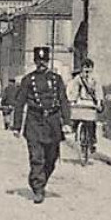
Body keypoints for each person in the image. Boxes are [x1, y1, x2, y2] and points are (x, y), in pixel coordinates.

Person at [10, 46, 72, 203]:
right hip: (34, 121)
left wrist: (67, 122)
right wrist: (16, 126)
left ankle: (40, 180)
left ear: (48, 62)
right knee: (37, 157)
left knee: (52, 157)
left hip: (52, 122)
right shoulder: (27, 80)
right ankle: (38, 187)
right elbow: (19, 103)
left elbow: (64, 101)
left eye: (44, 61)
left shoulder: (56, 79)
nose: (41, 64)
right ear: (35, 62)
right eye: (39, 61)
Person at [68, 57, 106, 163]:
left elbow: (98, 91)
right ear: (82, 69)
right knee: (76, 117)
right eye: (85, 69)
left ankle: (92, 141)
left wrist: (98, 102)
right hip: (81, 102)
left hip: (90, 103)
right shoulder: (78, 79)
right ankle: (74, 129)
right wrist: (73, 101)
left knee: (92, 123)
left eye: (89, 70)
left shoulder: (95, 79)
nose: (87, 72)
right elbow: (75, 90)